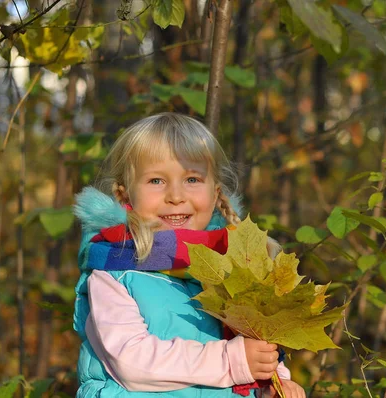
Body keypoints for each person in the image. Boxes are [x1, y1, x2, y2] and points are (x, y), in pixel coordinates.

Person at [73, 113, 305, 398]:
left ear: (215, 192)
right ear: (125, 196)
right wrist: (232, 361)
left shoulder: (233, 265)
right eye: (156, 180)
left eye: (192, 178)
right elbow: (129, 360)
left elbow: (257, 352)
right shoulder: (114, 266)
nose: (175, 196)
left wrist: (271, 387)